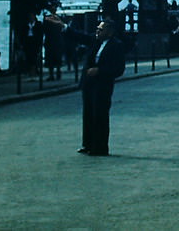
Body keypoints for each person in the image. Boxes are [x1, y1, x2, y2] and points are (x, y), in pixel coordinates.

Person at [48, 16, 126, 156]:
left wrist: (100, 71)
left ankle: (100, 147)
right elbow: (80, 36)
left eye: (100, 30)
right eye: (97, 29)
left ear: (109, 32)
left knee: (100, 115)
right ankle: (87, 144)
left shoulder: (116, 45)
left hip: (103, 85)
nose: (97, 31)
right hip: (89, 83)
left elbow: (119, 69)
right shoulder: (95, 41)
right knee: (88, 114)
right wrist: (63, 26)